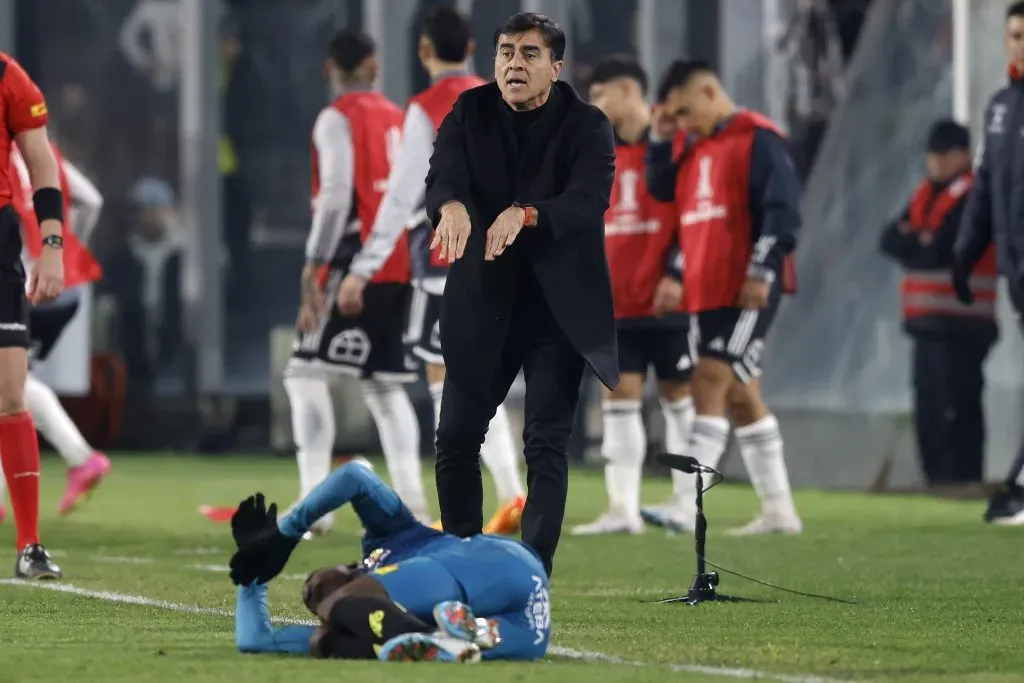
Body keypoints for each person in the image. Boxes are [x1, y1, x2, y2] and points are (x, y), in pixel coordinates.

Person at [424, 12, 617, 575]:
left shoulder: (587, 125)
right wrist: (452, 206)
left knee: (544, 444)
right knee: (456, 438)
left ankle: (531, 575)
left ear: (556, 67)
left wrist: (528, 214)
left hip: (557, 311)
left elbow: (588, 202)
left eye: (530, 54)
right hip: (484, 302)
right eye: (506, 51)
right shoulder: (469, 110)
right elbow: (442, 176)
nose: (514, 63)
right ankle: (462, 564)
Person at [335, 6, 526, 535]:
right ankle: (513, 493)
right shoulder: (505, 99)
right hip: (503, 262)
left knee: (445, 377)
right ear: (473, 47)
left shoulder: (424, 108)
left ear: (423, 50)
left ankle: (442, 506)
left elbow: (400, 199)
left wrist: (363, 268)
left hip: (445, 263)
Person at [646, 60, 802, 535]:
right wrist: (659, 139)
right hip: (705, 289)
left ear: (711, 91)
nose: (684, 124)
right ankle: (779, 511)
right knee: (739, 396)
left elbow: (784, 209)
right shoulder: (694, 150)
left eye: (687, 111)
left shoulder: (758, 138)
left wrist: (763, 269)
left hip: (744, 289)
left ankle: (686, 500)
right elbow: (662, 192)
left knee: (709, 380)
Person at [283, 30, 427, 532]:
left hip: (350, 263)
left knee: (303, 373)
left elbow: (337, 196)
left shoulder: (336, 117)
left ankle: (311, 504)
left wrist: (313, 265)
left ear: (330, 70)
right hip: (397, 262)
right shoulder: (399, 118)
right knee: (385, 387)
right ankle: (413, 500)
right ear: (374, 65)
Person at [227, 462, 550, 662]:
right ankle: (451, 639)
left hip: (490, 561)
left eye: (313, 585)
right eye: (313, 596)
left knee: (340, 621)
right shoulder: (361, 609)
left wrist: (286, 534)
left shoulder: (391, 538)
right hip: (526, 628)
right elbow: (254, 640)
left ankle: (439, 636)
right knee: (330, 639)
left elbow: (354, 476)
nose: (313, 591)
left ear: (349, 567)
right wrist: (252, 576)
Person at [570, 56, 694, 536]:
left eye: (600, 94)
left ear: (627, 91)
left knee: (678, 396)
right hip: (615, 299)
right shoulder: (593, 152)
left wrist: (678, 271)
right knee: (617, 397)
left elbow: (696, 212)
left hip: (668, 297)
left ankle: (686, 503)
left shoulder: (676, 145)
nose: (594, 105)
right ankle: (622, 508)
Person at [880, 120, 996, 487]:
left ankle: (963, 481)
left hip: (964, 320)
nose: (936, 162)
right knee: (929, 408)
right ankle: (937, 483)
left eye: (944, 154)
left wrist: (918, 241)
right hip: (926, 323)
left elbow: (943, 250)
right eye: (932, 154)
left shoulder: (975, 194)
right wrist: (922, 242)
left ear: (963, 155)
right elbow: (889, 241)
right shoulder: (925, 195)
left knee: (957, 406)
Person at [0, 143, 111, 521]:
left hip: (21, 287)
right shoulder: (44, 150)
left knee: (11, 383)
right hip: (64, 289)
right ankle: (79, 460)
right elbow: (90, 200)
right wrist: (65, 252)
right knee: (12, 383)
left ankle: (81, 457)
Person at [954, 1, 1024, 524]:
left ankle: (1017, 488)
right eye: (1014, 35)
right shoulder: (1000, 107)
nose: (1018, 44)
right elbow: (983, 190)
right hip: (1017, 272)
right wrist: (964, 253)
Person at [0, 52, 66, 579]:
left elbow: (41, 162)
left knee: (11, 393)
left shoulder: (8, 74)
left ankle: (29, 546)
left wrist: (52, 245)